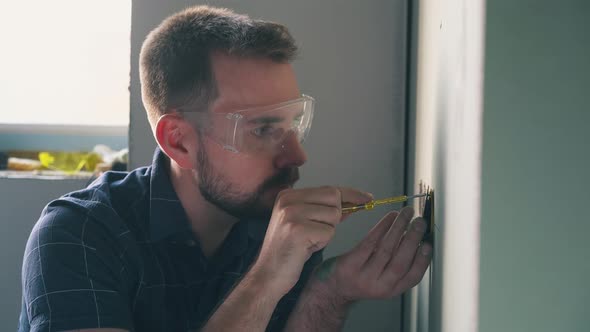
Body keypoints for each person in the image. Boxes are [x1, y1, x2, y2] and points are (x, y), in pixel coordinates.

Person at [18, 5, 432, 332]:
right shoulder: (79, 236)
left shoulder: (271, 218)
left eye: (293, 124)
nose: (297, 156)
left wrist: (331, 291)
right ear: (179, 140)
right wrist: (268, 277)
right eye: (263, 128)